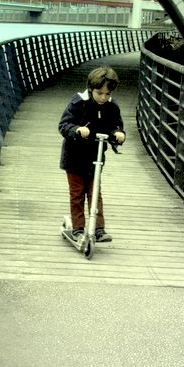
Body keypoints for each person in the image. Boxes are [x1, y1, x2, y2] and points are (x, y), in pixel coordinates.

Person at [58, 65, 126, 242]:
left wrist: (118, 134)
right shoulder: (78, 103)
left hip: (95, 157)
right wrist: (77, 130)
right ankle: (78, 228)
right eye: (99, 93)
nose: (103, 97)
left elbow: (115, 126)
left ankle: (98, 228)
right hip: (74, 158)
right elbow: (64, 125)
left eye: (107, 94)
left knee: (95, 192)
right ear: (91, 89)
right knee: (77, 194)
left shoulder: (112, 107)